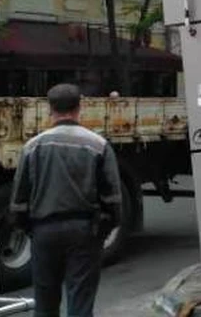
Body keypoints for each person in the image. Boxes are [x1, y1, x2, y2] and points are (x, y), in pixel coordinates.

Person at [9, 84, 122, 317]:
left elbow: (19, 200)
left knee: (45, 301)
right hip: (83, 231)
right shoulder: (97, 145)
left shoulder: (32, 147)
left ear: (50, 108)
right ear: (79, 107)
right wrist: (101, 231)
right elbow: (112, 198)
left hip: (44, 231)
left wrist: (31, 229)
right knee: (80, 300)